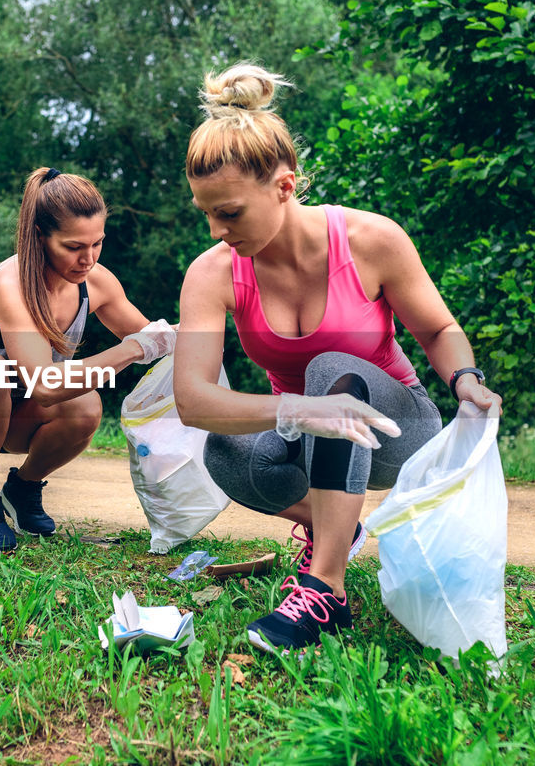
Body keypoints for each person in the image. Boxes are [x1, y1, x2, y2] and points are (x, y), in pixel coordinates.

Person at [173, 64, 503, 654]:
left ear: (284, 185)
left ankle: (325, 589)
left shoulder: (370, 240)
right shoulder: (212, 272)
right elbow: (195, 400)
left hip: (397, 428)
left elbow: (439, 328)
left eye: (229, 212)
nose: (217, 229)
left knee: (332, 373)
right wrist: (298, 412)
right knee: (222, 445)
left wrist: (467, 379)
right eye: (206, 213)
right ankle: (336, 526)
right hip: (311, 428)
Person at [0, 167, 175, 551]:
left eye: (97, 243)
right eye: (73, 246)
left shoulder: (96, 282)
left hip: (16, 414)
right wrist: (135, 348)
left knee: (86, 404)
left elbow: (152, 337)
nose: (88, 259)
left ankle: (23, 489)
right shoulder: (11, 284)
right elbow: (46, 387)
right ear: (40, 236)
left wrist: (191, 335)